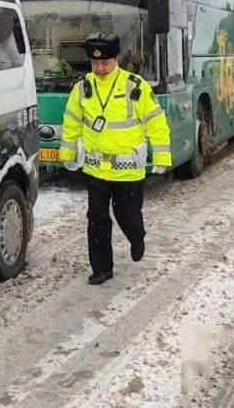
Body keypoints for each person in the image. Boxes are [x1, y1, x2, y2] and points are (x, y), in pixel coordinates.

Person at [59, 33, 172, 286]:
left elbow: (156, 123)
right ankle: (102, 268)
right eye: (94, 63)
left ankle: (136, 236)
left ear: (116, 59)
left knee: (126, 213)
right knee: (96, 219)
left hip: (128, 170)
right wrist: (66, 155)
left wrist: (162, 157)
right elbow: (71, 123)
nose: (99, 68)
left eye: (105, 63)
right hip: (96, 169)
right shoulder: (83, 88)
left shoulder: (135, 86)